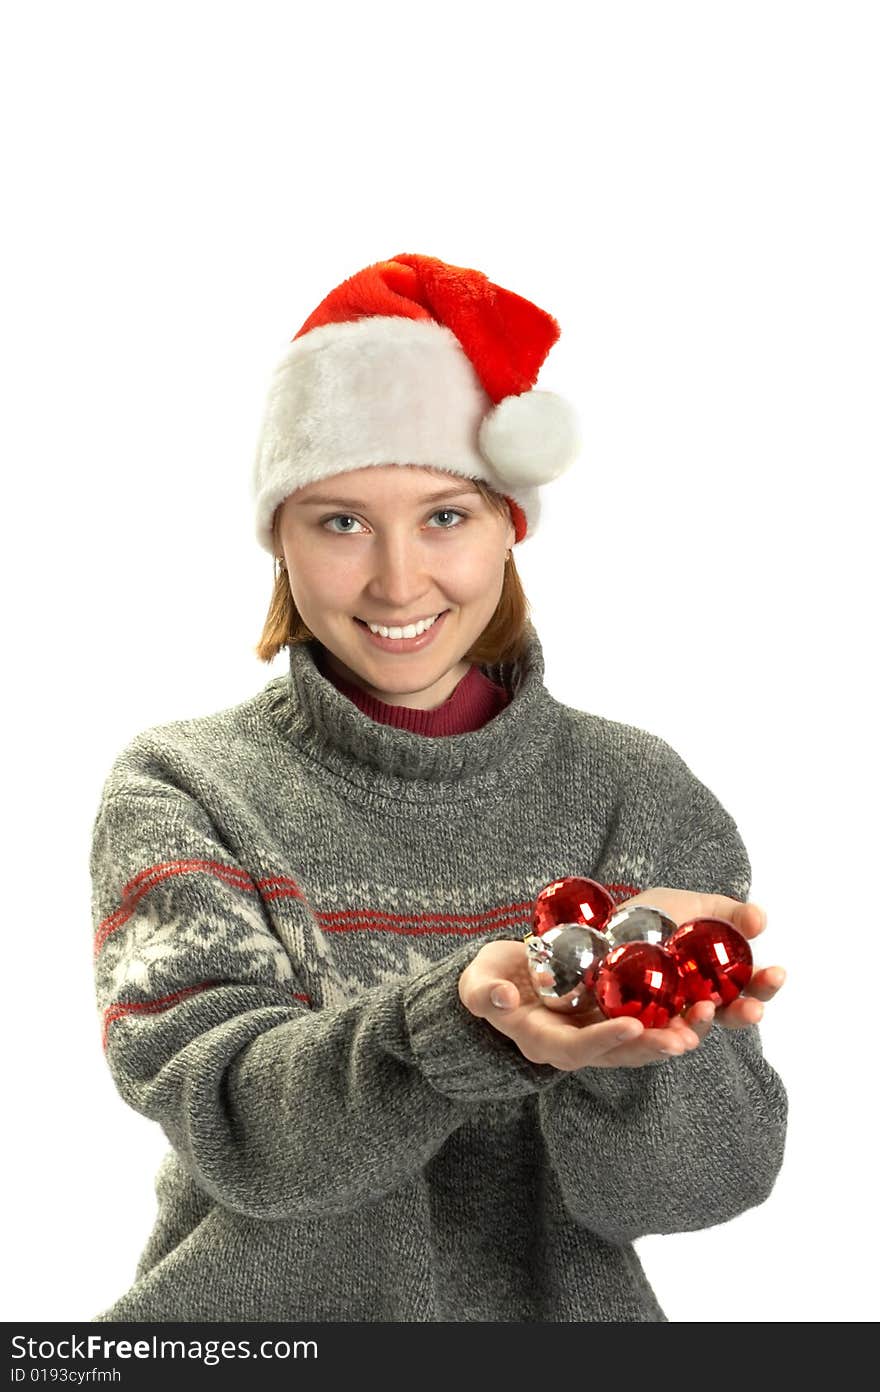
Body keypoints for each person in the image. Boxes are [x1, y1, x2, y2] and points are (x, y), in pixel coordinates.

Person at [89, 252, 788, 1323]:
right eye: (339, 522)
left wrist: (648, 1042)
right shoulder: (181, 787)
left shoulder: (636, 794)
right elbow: (242, 1134)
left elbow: (698, 1190)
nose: (398, 580)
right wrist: (464, 1019)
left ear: (512, 524)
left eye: (446, 517)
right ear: (276, 536)